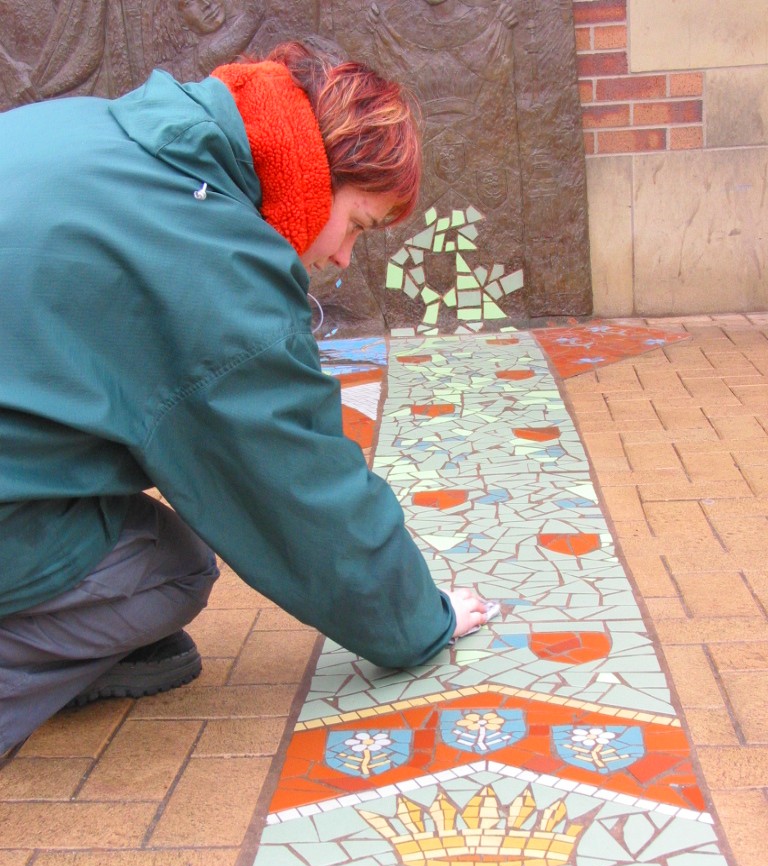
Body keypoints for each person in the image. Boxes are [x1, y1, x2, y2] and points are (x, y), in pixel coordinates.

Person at [0, 41, 493, 755]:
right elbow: (298, 489)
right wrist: (422, 623)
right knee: (169, 567)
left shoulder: (102, 131)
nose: (343, 258)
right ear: (319, 175)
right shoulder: (213, 262)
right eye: (357, 225)